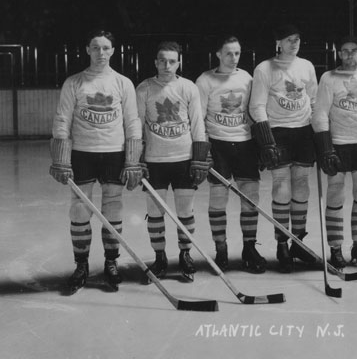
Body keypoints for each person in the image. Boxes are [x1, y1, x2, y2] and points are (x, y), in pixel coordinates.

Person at [49, 29, 142, 292]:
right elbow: (62, 120)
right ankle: (81, 265)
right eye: (96, 47)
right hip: (82, 153)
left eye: (106, 48)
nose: (101, 52)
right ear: (88, 50)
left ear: (113, 51)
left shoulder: (123, 83)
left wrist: (132, 159)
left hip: (114, 152)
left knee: (113, 207)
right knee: (80, 208)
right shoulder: (74, 82)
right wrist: (61, 158)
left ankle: (111, 262)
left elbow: (132, 121)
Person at [136, 41, 209, 282]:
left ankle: (185, 254)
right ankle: (159, 257)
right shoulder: (144, 88)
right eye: (162, 61)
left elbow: (197, 123)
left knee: (185, 211)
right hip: (154, 160)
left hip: (183, 159)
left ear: (178, 63)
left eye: (171, 61)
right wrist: (136, 158)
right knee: (154, 212)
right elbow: (136, 125)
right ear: (155, 62)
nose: (167, 65)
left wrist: (199, 158)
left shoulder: (188, 87)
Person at [249, 25, 319, 273]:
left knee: (301, 185)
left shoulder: (307, 66)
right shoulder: (264, 68)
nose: (294, 43)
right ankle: (282, 244)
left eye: (297, 39)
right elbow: (257, 106)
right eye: (289, 39)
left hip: (303, 131)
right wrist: (267, 140)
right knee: (281, 186)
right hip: (277, 131)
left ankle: (298, 241)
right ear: (278, 42)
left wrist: (319, 132)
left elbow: (313, 100)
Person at [196, 36, 265, 273]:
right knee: (218, 198)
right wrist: (203, 149)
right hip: (218, 144)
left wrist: (262, 143)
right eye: (228, 53)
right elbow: (198, 118)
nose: (233, 58)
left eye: (237, 53)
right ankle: (221, 249)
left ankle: (249, 248)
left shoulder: (247, 78)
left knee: (251, 197)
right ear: (218, 54)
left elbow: (254, 110)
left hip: (245, 144)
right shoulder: (205, 80)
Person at [311, 35, 357, 268]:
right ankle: (336, 247)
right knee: (336, 192)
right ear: (339, 54)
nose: (349, 54)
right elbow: (320, 114)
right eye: (345, 51)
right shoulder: (329, 78)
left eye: (354, 50)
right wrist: (325, 147)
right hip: (339, 142)